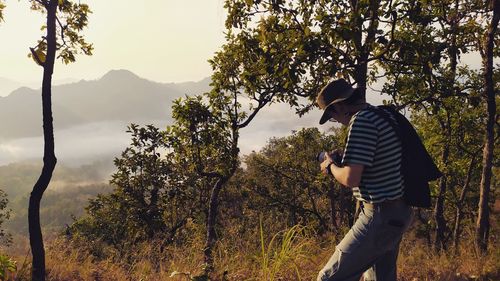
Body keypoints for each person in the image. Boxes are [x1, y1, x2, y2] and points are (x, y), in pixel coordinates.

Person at [316, 78, 413, 281]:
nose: (336, 120)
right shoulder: (383, 115)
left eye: (332, 115)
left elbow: (351, 178)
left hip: (379, 215)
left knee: (329, 278)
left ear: (340, 105)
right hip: (399, 211)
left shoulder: (362, 121)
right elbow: (381, 158)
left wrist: (330, 165)